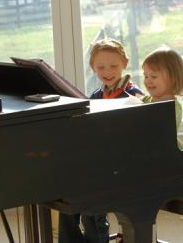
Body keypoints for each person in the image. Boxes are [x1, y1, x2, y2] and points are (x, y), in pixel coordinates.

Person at [58, 38, 143, 243]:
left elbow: (140, 133)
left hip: (123, 165)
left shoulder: (134, 94)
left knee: (91, 197)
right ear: (92, 68)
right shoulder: (96, 95)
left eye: (114, 65)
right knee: (66, 193)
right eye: (100, 67)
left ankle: (97, 238)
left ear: (125, 63)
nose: (108, 71)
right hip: (99, 162)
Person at [141, 46, 183, 149]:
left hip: (167, 152)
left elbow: (159, 131)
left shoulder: (173, 108)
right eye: (146, 76)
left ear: (173, 78)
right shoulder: (145, 100)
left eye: (153, 76)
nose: (148, 81)